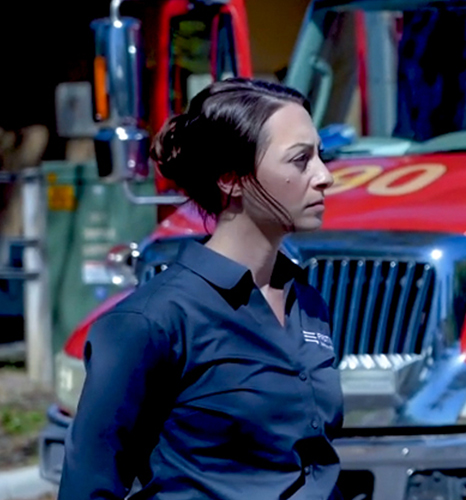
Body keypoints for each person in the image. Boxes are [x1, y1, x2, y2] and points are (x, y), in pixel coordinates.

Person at [59, 78, 342, 500]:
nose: (325, 177)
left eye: (322, 155)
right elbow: (88, 488)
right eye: (300, 160)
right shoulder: (150, 322)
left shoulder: (309, 303)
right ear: (231, 179)